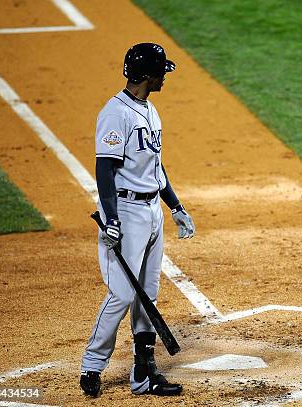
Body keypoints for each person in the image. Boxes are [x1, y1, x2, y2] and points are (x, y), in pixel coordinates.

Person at [79, 43, 195, 397]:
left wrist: (174, 206)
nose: (165, 78)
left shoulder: (150, 111)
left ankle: (144, 373)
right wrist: (112, 220)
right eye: (162, 72)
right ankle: (92, 365)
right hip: (126, 213)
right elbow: (105, 168)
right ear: (147, 75)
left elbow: (156, 168)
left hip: (152, 213)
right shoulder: (116, 114)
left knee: (149, 294)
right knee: (124, 293)